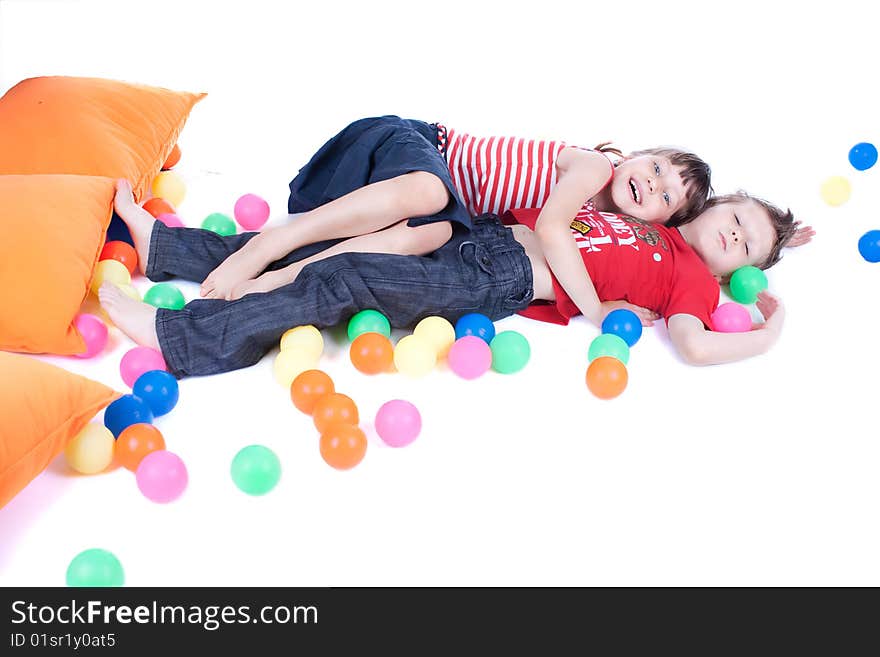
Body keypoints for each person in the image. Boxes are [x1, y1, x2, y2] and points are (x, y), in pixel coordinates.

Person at [99, 174, 800, 377]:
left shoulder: (691, 283)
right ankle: (167, 249)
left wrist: (767, 332)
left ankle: (181, 336)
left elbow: (698, 344)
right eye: (737, 217)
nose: (736, 233)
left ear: (734, 271)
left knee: (346, 278)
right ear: (711, 208)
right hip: (485, 238)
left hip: (493, 282)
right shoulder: (642, 220)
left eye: (747, 244)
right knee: (325, 244)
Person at [196, 116, 713, 301]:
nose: (654, 184)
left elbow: (684, 252)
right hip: (416, 145)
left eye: (668, 198)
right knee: (431, 196)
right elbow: (552, 230)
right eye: (659, 167)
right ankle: (273, 243)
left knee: (427, 236)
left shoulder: (603, 223)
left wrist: (765, 241)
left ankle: (284, 278)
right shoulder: (595, 168)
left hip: (435, 201)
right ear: (636, 154)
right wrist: (596, 310)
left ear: (661, 226)